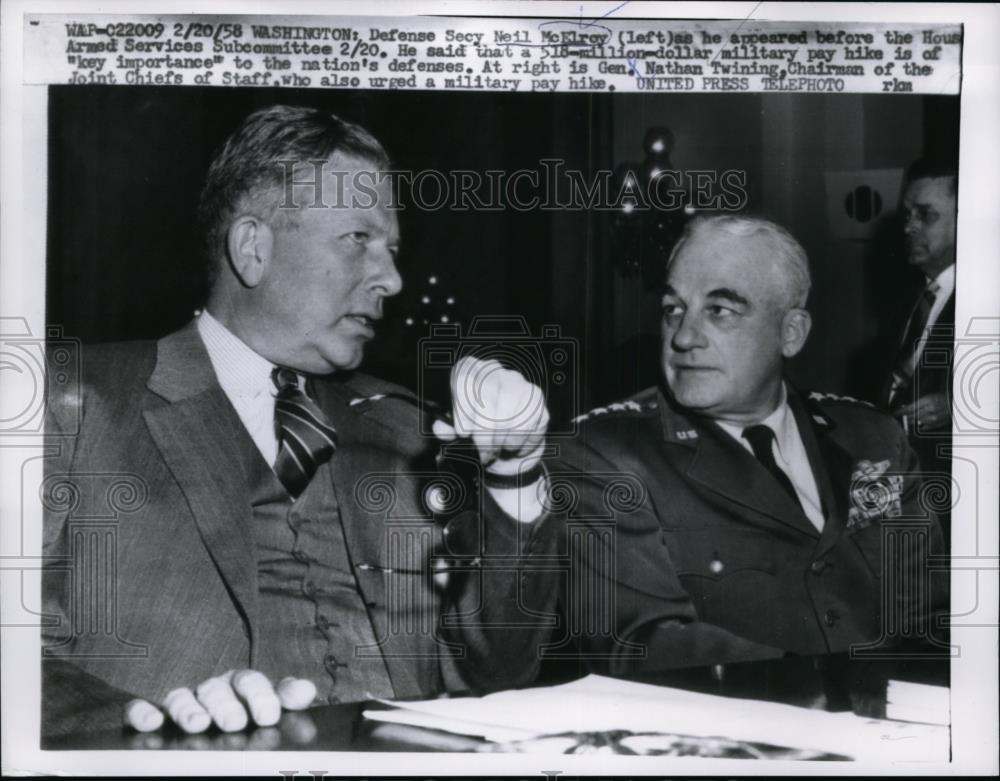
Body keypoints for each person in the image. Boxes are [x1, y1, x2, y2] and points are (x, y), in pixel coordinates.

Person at [41, 105, 551, 737]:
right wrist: (148, 724)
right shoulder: (72, 400)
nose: (391, 278)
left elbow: (503, 670)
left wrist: (515, 473)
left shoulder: (413, 430)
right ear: (253, 248)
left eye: (391, 250)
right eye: (358, 239)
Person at [542, 215, 947, 676]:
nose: (683, 336)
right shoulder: (603, 455)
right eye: (673, 309)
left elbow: (931, 621)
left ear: (790, 332)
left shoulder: (874, 439)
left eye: (720, 311)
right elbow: (641, 645)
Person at [881, 160, 957, 533]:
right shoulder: (910, 301)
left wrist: (957, 408)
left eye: (926, 215)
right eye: (907, 215)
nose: (909, 227)